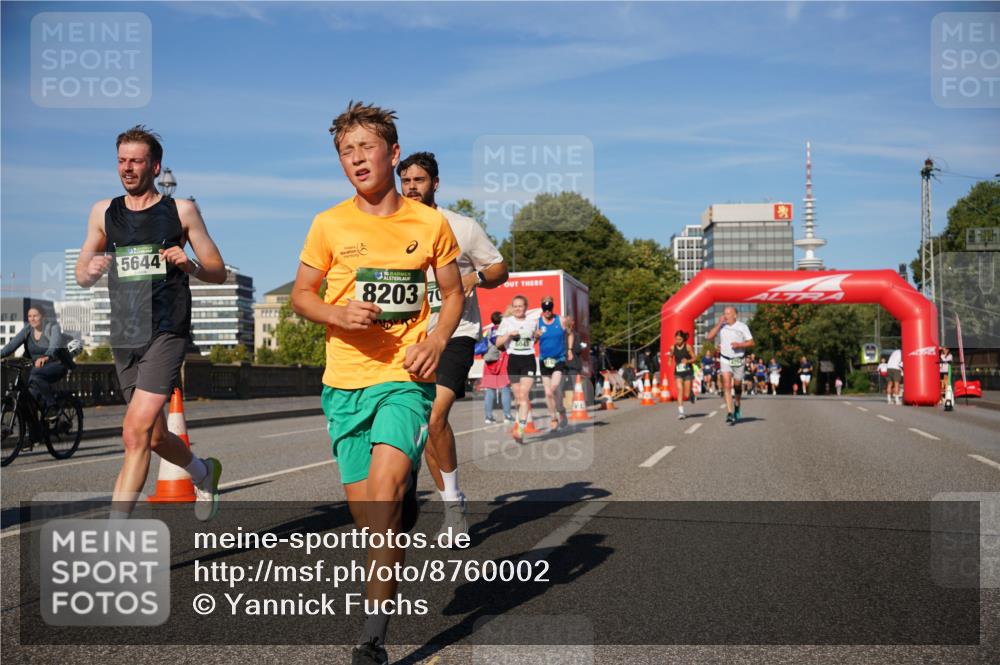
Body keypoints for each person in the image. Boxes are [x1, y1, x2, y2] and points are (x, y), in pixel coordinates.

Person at [289, 102, 464, 665]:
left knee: (385, 496)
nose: (357, 159)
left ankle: (372, 636)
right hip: (344, 384)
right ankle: (401, 504)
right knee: (372, 521)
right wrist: (336, 314)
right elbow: (301, 296)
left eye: (367, 147)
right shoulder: (329, 224)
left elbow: (454, 293)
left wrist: (436, 340)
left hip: (403, 377)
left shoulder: (429, 223)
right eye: (347, 151)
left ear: (393, 153)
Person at [75, 125, 225, 522]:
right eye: (121, 161)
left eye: (136, 161)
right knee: (154, 435)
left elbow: (218, 270)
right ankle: (203, 472)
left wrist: (190, 264)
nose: (127, 168)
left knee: (133, 432)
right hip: (125, 333)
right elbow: (81, 273)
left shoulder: (181, 211)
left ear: (155, 167)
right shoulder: (102, 212)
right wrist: (89, 269)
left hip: (167, 329)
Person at [397, 151, 508, 540]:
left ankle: (453, 506)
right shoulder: (389, 229)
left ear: (435, 183)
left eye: (419, 180)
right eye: (406, 181)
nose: (412, 187)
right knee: (415, 426)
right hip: (408, 338)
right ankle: (408, 477)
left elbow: (499, 269)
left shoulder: (462, 227)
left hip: (456, 333)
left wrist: (473, 278)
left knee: (434, 418)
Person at [1, 306, 74, 416]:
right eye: (29, 316)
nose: (32, 319)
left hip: (57, 364)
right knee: (29, 399)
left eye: (35, 316)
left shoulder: (53, 328)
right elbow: (11, 346)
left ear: (43, 317)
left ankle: (52, 406)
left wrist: (46, 356)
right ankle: (35, 425)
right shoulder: (27, 330)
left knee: (35, 375)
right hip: (37, 367)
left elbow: (55, 345)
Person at [497, 295, 538, 443]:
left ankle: (520, 429)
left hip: (528, 360)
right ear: (512, 307)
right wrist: (509, 335)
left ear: (525, 307)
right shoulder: (506, 322)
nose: (518, 309)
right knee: (518, 398)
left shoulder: (532, 322)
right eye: (515, 306)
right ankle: (520, 422)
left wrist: (537, 336)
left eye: (520, 306)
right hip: (513, 360)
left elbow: (534, 338)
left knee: (524, 395)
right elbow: (498, 343)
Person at [707, 306, 754, 425]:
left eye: (728, 313)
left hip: (738, 359)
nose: (725, 316)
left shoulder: (742, 326)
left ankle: (737, 404)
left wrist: (740, 345)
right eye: (724, 313)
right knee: (727, 385)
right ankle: (729, 412)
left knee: (737, 385)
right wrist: (719, 324)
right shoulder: (722, 326)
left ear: (734, 315)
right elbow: (709, 337)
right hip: (725, 359)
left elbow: (751, 342)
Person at [536, 295, 568, 430]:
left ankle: (561, 410)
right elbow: (533, 340)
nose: (547, 311)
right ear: (542, 309)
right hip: (544, 360)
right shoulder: (538, 323)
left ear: (552, 307)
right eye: (545, 308)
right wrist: (536, 336)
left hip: (558, 359)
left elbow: (570, 333)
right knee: (548, 393)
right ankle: (553, 418)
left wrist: (569, 349)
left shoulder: (560, 320)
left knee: (554, 388)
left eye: (549, 308)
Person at [481, 312, 513, 425]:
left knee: (490, 390)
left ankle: (488, 416)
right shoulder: (504, 331)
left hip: (489, 362)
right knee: (505, 388)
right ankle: (507, 416)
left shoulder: (488, 331)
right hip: (502, 360)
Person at [671, 330, 695, 419]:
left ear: (683, 339)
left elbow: (694, 358)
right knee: (680, 389)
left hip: (688, 372)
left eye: (679, 339)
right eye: (676, 339)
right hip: (678, 372)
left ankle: (691, 394)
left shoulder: (688, 347)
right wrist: (669, 360)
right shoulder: (673, 348)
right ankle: (681, 412)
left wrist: (687, 361)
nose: (677, 341)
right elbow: (671, 355)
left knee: (686, 395)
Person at [563, 314, 585, 409]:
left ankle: (565, 405)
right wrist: (581, 347)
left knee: (563, 385)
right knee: (576, 385)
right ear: (573, 323)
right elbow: (577, 350)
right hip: (573, 364)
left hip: (563, 364)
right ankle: (577, 405)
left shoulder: (561, 334)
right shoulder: (575, 335)